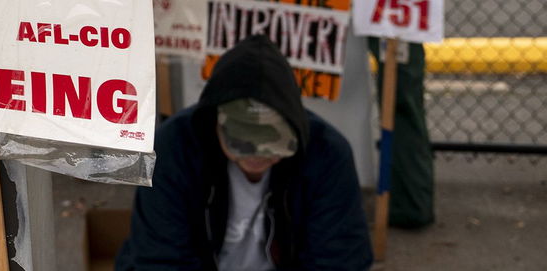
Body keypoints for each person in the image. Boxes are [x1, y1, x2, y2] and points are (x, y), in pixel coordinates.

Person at [116, 34, 372, 270]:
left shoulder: (328, 154)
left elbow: (339, 260)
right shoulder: (173, 148)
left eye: (272, 144)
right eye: (243, 143)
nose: (256, 156)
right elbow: (161, 260)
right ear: (214, 122)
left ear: (296, 128)